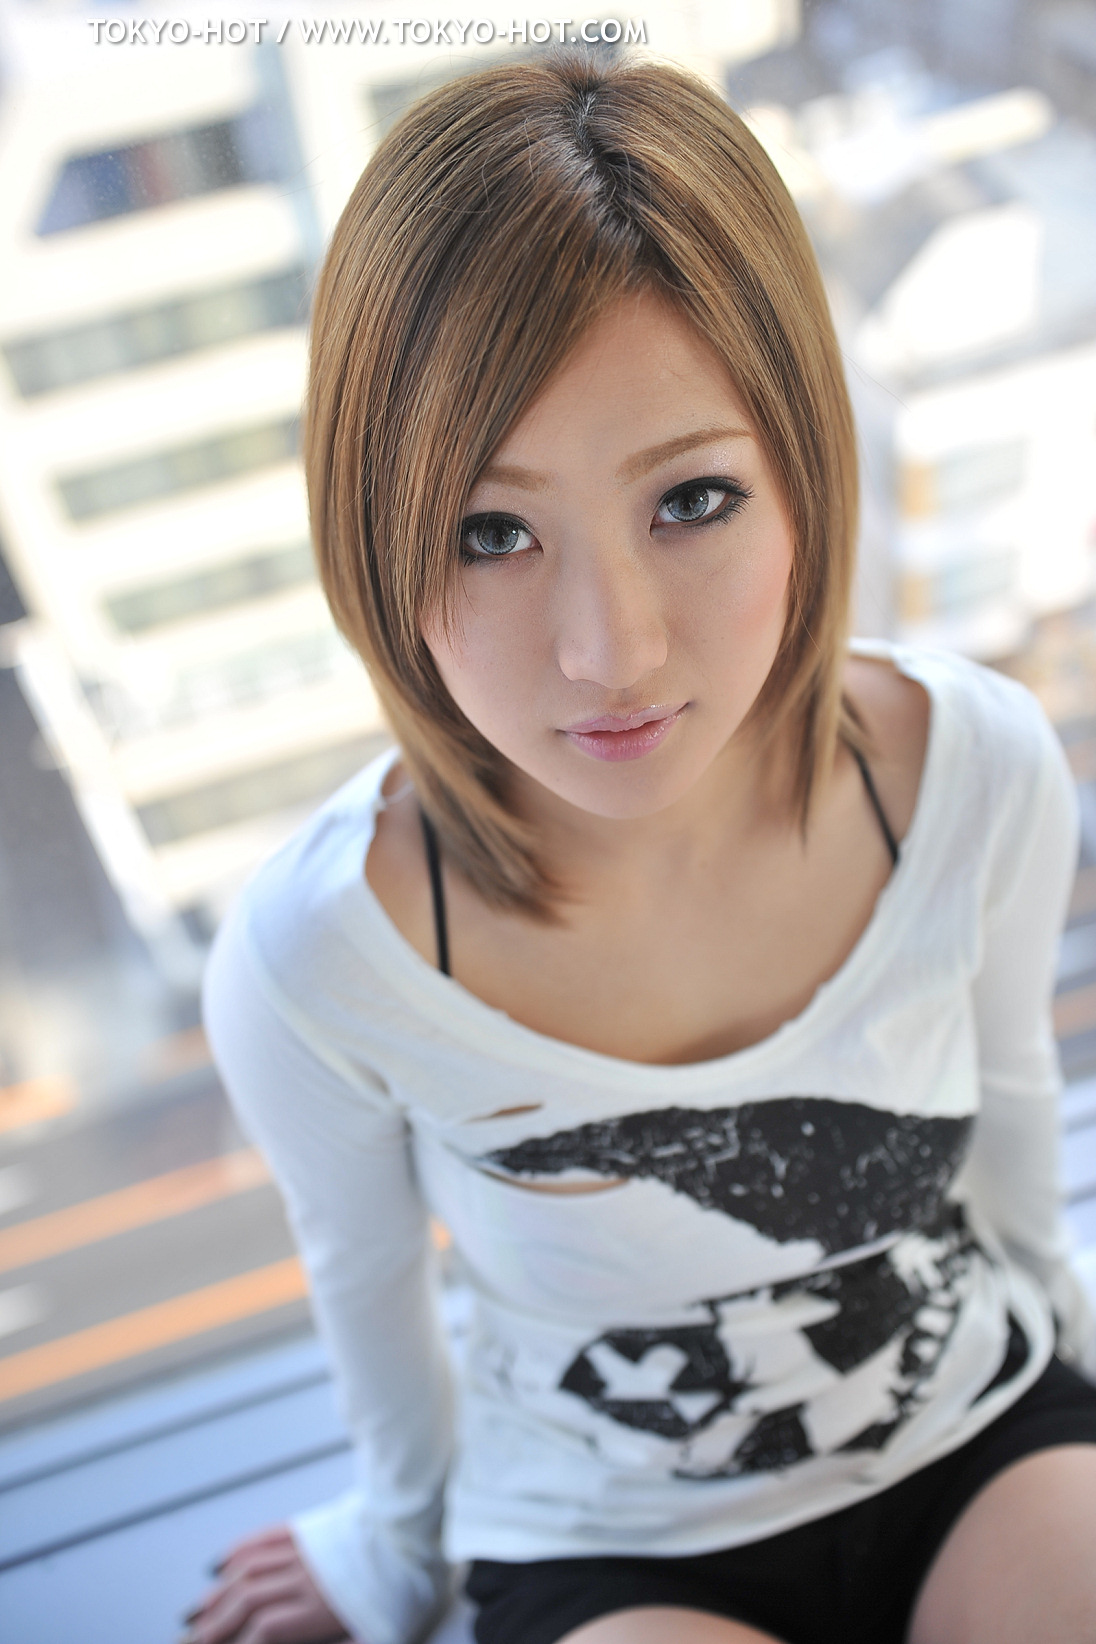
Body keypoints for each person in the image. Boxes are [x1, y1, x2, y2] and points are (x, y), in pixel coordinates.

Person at [183, 50, 1096, 1644]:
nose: (611, 651)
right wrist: (393, 1551)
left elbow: (1014, 1111)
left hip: (974, 1426)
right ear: (375, 543)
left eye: (692, 501)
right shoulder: (324, 955)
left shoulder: (972, 774)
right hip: (608, 1539)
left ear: (804, 472)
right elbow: (368, 1284)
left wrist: (1074, 1382)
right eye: (491, 531)